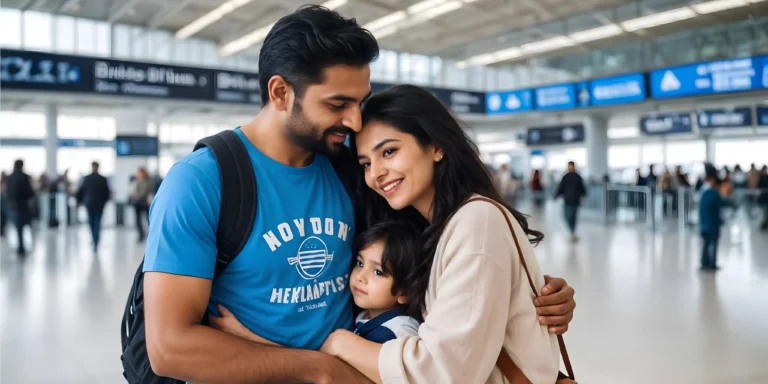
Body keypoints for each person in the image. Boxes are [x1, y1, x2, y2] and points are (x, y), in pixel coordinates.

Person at [142, 6, 576, 384]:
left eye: (360, 102)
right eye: (337, 104)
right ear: (280, 92)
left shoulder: (350, 168)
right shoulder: (203, 182)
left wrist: (528, 297)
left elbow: (432, 259)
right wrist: (319, 368)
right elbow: (170, 348)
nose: (354, 121)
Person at [210, 221, 421, 345]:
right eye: (359, 262)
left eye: (378, 272)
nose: (360, 276)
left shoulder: (395, 335)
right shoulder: (367, 317)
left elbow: (334, 373)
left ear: (405, 291)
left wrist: (246, 338)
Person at [698, 163, 731, 271]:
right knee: (712, 244)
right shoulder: (712, 192)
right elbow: (720, 203)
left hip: (704, 222)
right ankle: (711, 264)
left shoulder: (703, 191)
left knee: (706, 244)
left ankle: (705, 263)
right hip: (712, 223)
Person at [76, 162, 111, 251]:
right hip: (98, 204)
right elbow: (107, 192)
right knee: (96, 223)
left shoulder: (87, 178)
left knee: (92, 223)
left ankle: (95, 240)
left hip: (90, 203)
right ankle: (96, 240)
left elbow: (81, 190)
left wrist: (79, 201)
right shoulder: (102, 179)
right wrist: (105, 201)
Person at [5, 160, 35, 255]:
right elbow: (29, 192)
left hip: (12, 206)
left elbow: (7, 192)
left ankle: (20, 247)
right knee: (27, 226)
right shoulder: (24, 177)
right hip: (23, 206)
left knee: (18, 228)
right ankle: (22, 247)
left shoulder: (9, 177)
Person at [555, 161, 587, 242]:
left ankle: (572, 232)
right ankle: (572, 232)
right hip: (567, 200)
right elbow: (561, 187)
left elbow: (582, 188)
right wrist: (556, 195)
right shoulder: (565, 177)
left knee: (573, 217)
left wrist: (583, 197)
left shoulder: (577, 177)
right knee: (567, 217)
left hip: (575, 200)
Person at [129, 167, 152, 242]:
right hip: (137, 203)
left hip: (144, 203)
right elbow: (133, 191)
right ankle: (141, 235)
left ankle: (150, 234)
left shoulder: (147, 182)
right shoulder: (136, 181)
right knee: (138, 220)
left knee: (148, 219)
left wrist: (136, 195)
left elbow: (146, 192)